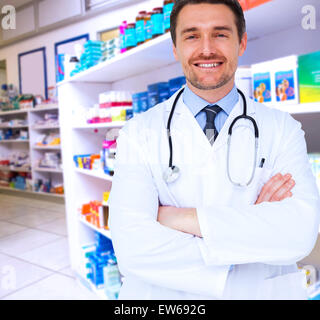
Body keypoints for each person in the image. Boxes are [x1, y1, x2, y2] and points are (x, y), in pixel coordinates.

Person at [108, 0, 320, 300]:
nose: (206, 49)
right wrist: (252, 230)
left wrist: (175, 218)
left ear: (241, 42)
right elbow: (132, 248)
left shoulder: (283, 129)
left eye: (220, 33)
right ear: (175, 48)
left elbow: (299, 234)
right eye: (192, 35)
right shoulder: (137, 133)